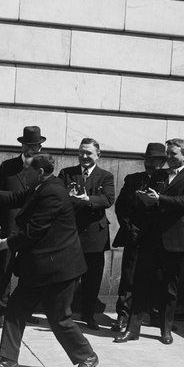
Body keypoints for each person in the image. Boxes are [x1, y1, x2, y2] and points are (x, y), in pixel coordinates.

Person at [0, 153, 99, 367]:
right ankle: (8, 359)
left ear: (39, 172)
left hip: (60, 267)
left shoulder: (53, 192)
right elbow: (17, 197)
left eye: (27, 170)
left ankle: (87, 356)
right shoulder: (41, 186)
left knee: (59, 317)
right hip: (39, 266)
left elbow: (34, 230)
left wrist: (4, 244)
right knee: (15, 309)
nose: (24, 174)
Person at [119, 138, 184, 345]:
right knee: (140, 283)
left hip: (175, 240)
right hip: (151, 237)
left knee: (169, 287)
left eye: (173, 154)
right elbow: (149, 199)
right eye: (168, 153)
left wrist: (159, 199)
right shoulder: (159, 174)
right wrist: (144, 198)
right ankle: (132, 329)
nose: (169, 157)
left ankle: (165, 330)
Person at [0, 126, 45, 328]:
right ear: (22, 145)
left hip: (31, 230)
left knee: (29, 271)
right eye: (28, 145)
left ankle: (24, 311)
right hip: (9, 227)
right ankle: (1, 312)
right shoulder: (7, 166)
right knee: (4, 270)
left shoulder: (42, 170)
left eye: (35, 146)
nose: (31, 149)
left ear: (40, 146)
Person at [57, 138, 115, 330]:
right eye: (81, 152)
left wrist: (87, 199)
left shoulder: (105, 176)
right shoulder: (66, 173)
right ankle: (63, 314)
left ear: (98, 155)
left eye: (89, 153)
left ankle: (88, 315)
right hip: (71, 233)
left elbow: (108, 199)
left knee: (92, 278)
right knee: (68, 277)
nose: (84, 156)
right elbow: (56, 196)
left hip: (94, 236)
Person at [110, 142, 166, 335]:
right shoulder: (133, 180)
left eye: (155, 160)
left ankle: (154, 316)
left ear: (163, 162)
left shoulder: (168, 181)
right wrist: (130, 228)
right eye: (148, 159)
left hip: (157, 239)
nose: (150, 164)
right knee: (128, 277)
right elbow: (121, 207)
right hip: (134, 237)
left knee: (157, 279)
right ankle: (122, 316)